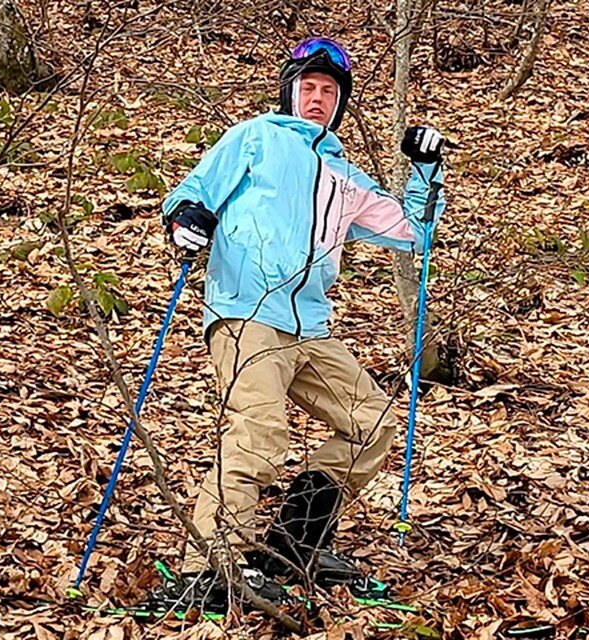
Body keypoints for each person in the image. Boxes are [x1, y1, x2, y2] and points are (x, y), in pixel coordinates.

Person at [158, 36, 445, 611]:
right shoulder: (254, 138)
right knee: (259, 434)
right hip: (246, 313)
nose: (317, 99)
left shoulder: (346, 176)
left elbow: (413, 230)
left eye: (329, 92)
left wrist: (426, 170)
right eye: (308, 88)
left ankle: (293, 544)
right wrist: (186, 219)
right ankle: (209, 566)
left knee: (373, 422)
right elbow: (192, 193)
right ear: (290, 93)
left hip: (310, 324)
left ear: (340, 104)